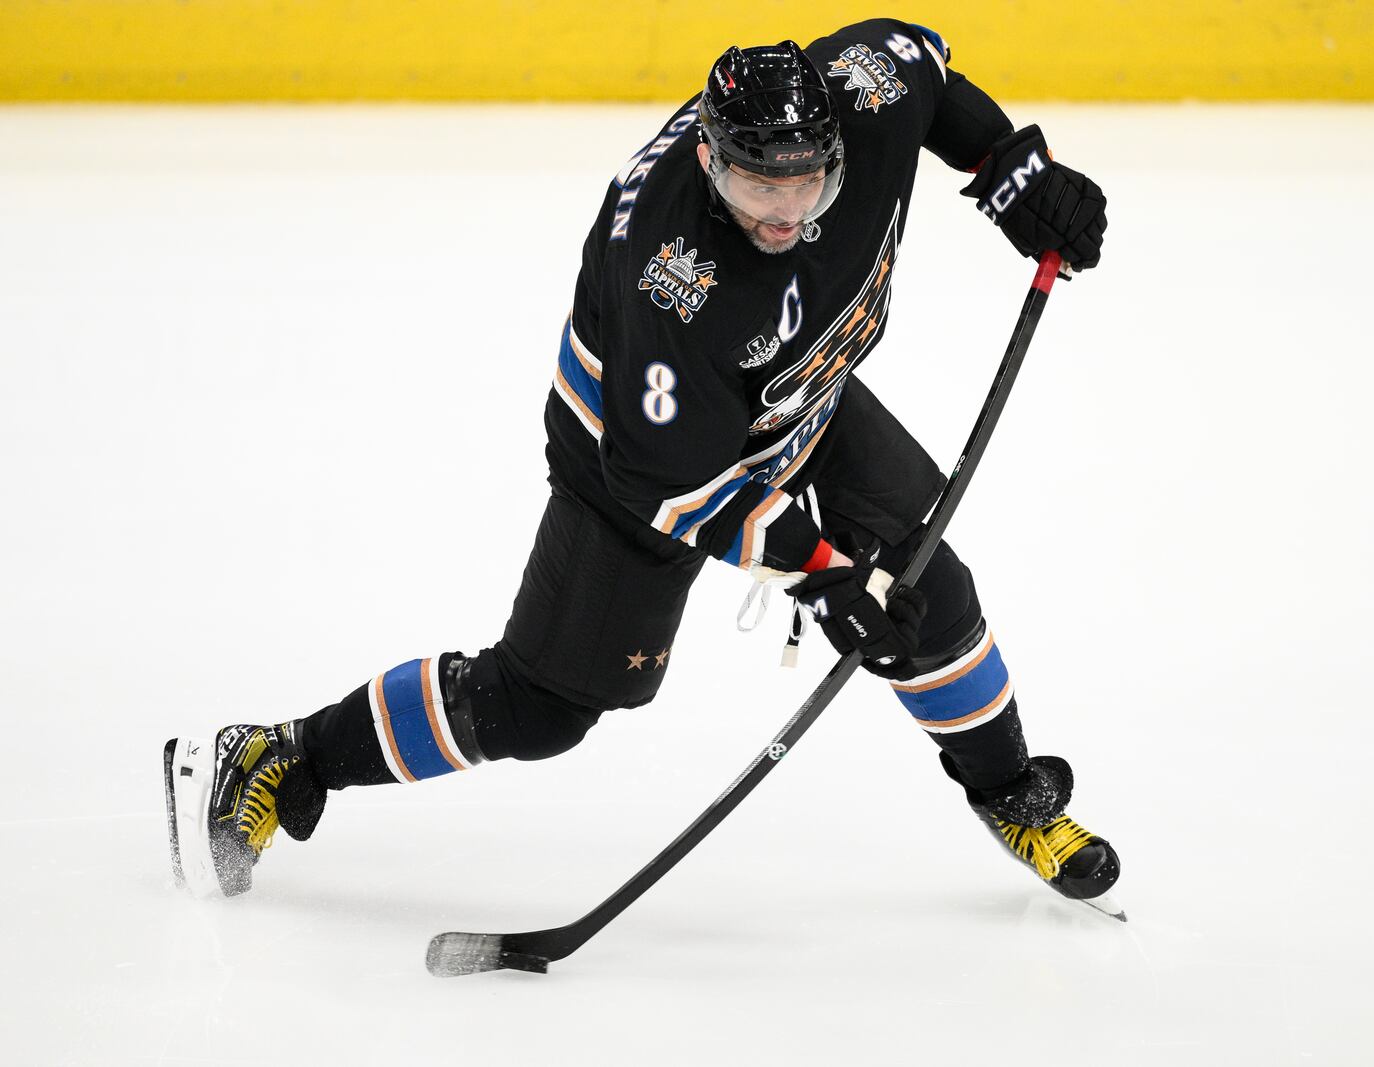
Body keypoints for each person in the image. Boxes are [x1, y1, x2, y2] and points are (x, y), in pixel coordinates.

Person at [163, 19, 1121, 919]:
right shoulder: (673, 278)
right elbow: (676, 486)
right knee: (541, 707)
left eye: (808, 184)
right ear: (710, 160)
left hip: (800, 397)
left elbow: (933, 79)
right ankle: (286, 756)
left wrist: (1011, 171)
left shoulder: (864, 95)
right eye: (758, 188)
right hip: (635, 462)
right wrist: (828, 570)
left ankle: (1012, 792)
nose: (785, 211)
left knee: (930, 588)